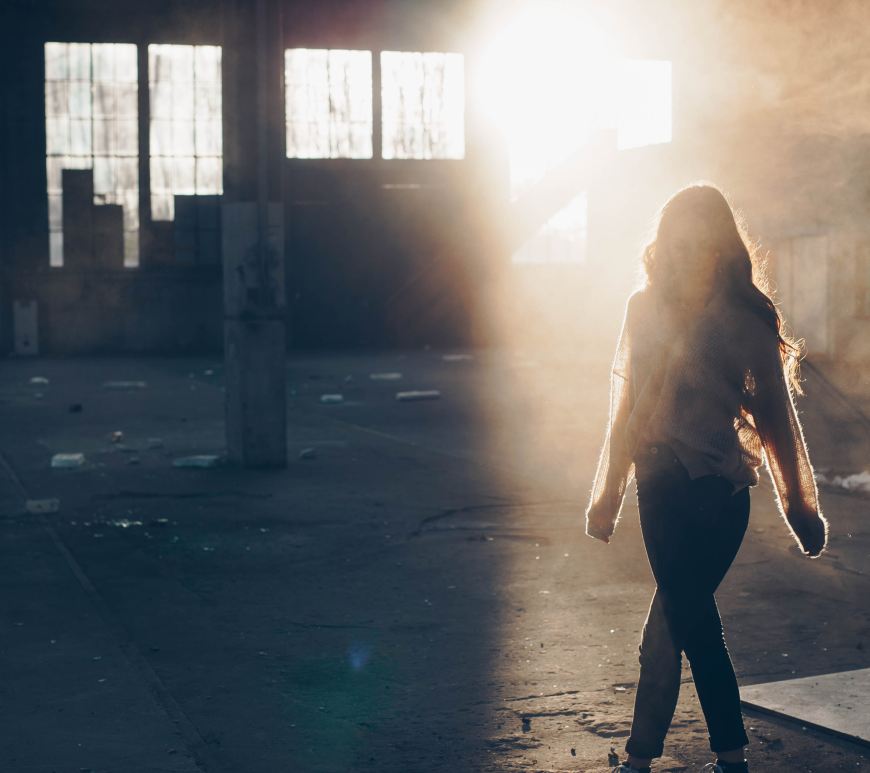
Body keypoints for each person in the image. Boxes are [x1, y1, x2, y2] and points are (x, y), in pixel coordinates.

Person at [584, 183, 829, 773]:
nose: (685, 255)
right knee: (688, 619)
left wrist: (801, 511)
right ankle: (730, 759)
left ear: (722, 250)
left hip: (719, 494)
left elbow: (776, 418)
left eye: (700, 245)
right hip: (660, 491)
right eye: (675, 243)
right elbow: (627, 407)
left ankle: (646, 757)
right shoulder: (643, 310)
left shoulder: (747, 319)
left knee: (675, 619)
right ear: (660, 247)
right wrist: (609, 494)